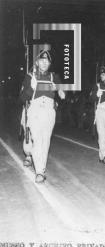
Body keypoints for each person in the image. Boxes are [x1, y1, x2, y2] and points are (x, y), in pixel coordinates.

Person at [19, 46, 66, 183]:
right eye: (42, 60)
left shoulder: (54, 76)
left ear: (49, 64)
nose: (44, 63)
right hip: (34, 111)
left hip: (49, 112)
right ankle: (39, 170)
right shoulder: (30, 77)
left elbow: (62, 94)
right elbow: (22, 98)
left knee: (45, 141)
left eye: (47, 61)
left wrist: (61, 91)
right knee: (37, 141)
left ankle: (41, 169)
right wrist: (31, 88)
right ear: (37, 62)